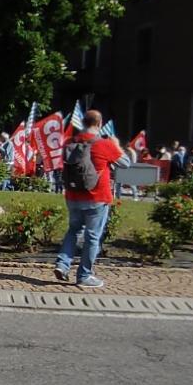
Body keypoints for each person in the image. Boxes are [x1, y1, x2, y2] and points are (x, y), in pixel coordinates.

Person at [53, 109, 124, 290]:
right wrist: (116, 145)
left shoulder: (70, 142)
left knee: (73, 230)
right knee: (92, 236)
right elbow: (126, 163)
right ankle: (84, 275)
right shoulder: (103, 144)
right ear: (99, 124)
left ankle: (62, 264)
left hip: (73, 195)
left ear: (82, 123)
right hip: (97, 197)